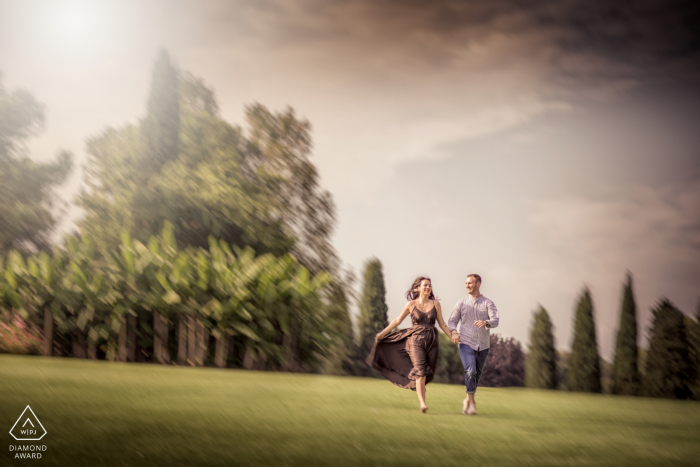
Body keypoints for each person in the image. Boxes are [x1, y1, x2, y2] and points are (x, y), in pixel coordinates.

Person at [366, 277, 453, 413]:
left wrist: (452, 335)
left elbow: (442, 323)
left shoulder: (435, 304)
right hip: (415, 341)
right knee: (420, 371)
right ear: (418, 288)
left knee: (425, 373)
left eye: (429, 285)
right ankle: (423, 404)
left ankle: (421, 395)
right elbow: (397, 321)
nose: (428, 288)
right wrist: (382, 333)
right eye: (425, 285)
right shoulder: (411, 305)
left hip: (432, 342)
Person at [447, 274, 499, 415]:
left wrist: (486, 322)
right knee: (471, 371)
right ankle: (473, 403)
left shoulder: (488, 303)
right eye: (466, 283)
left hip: (483, 345)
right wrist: (454, 332)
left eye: (470, 283)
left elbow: (496, 320)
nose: (467, 285)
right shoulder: (461, 303)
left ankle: (467, 400)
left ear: (478, 284)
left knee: (476, 375)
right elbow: (452, 321)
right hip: (466, 343)